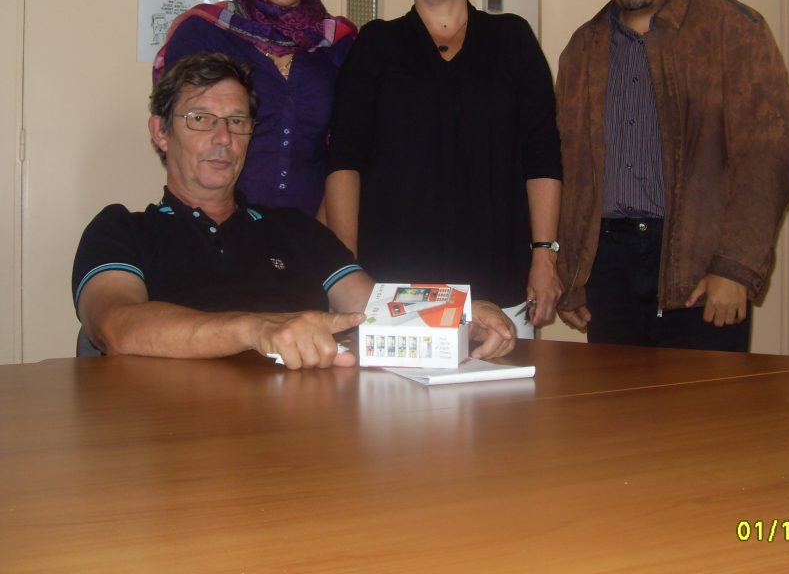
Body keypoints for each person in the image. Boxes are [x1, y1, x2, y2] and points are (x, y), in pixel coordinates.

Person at [73, 53, 515, 369]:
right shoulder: (122, 230)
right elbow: (115, 326)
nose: (223, 137)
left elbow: (373, 307)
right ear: (160, 132)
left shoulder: (295, 230)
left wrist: (461, 314)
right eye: (200, 119)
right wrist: (255, 330)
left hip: (303, 435)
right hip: (175, 442)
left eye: (237, 121)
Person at [554, 0, 789, 352]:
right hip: (608, 269)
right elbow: (571, 168)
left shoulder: (732, 29)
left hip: (701, 268)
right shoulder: (581, 50)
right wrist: (572, 272)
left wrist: (735, 267)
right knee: (614, 401)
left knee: (705, 402)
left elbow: (768, 154)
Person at [322, 0, 563, 338]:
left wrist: (544, 255)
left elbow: (542, 154)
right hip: (395, 289)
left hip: (501, 282)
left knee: (505, 387)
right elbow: (344, 160)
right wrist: (347, 269)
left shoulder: (512, 39)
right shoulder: (376, 44)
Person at [154, 0, 357, 217]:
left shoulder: (338, 46)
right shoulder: (202, 34)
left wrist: (322, 238)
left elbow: (347, 155)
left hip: (311, 233)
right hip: (214, 229)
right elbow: (180, 143)